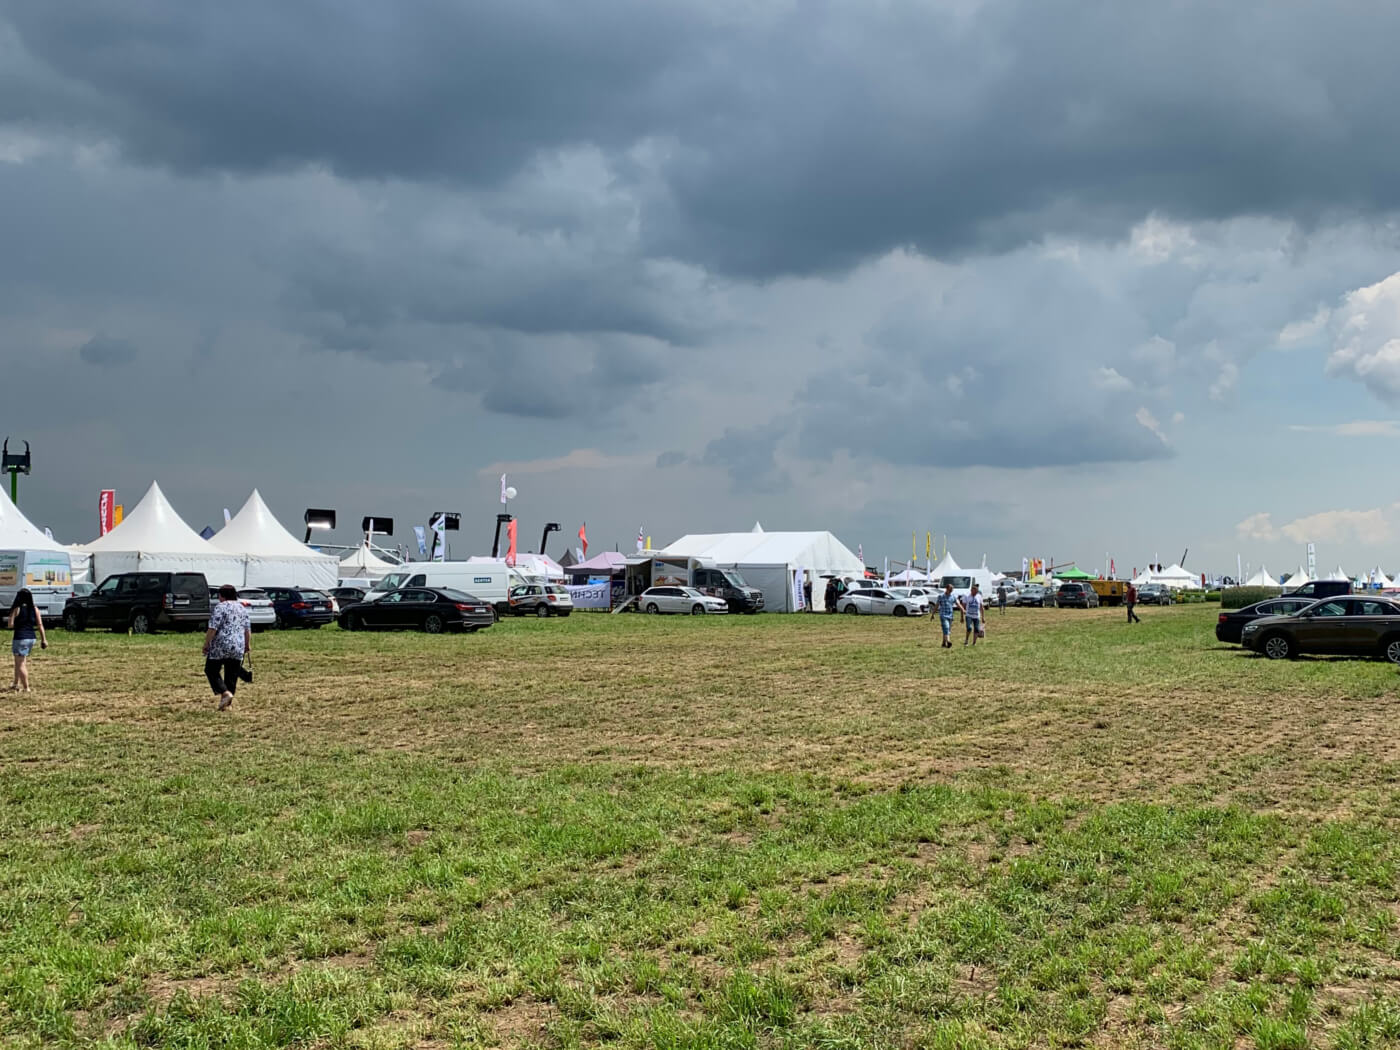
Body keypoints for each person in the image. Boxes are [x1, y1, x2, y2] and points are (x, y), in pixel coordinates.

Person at [203, 584, 251, 710]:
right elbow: (247, 629)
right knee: (231, 675)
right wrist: (247, 644)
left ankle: (225, 693)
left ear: (222, 595)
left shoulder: (220, 607)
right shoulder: (242, 608)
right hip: (238, 645)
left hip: (220, 644)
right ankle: (227, 704)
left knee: (211, 670)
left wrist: (207, 643)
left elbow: (213, 627)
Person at [8, 589, 47, 692]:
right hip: (31, 638)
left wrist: (12, 618)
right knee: (19, 661)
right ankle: (15, 683)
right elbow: (40, 625)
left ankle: (26, 688)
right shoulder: (35, 608)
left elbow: (10, 625)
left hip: (20, 638)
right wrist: (44, 639)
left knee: (20, 664)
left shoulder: (17, 608)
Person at [932, 581, 958, 648]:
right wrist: (933, 614)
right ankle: (948, 641)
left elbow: (958, 604)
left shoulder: (953, 596)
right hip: (943, 615)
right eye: (950, 589)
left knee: (947, 630)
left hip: (950, 615)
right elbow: (937, 605)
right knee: (946, 628)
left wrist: (963, 610)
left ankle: (943, 643)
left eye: (952, 590)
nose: (951, 591)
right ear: (946, 589)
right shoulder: (941, 596)